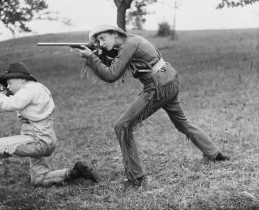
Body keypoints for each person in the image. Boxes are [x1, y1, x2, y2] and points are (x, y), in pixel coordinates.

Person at [78, 25, 230, 187]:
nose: (101, 43)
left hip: (158, 86)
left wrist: (91, 57)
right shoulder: (131, 40)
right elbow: (117, 61)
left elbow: (111, 75)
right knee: (182, 122)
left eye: (103, 38)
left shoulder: (128, 46)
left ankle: (137, 177)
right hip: (169, 79)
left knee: (122, 126)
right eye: (98, 41)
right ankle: (214, 153)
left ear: (115, 33)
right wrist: (97, 53)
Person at [0, 62, 98, 201]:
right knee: (39, 179)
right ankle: (74, 172)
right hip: (46, 139)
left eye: (9, 82)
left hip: (36, 140)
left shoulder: (29, 90)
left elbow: (10, 104)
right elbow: (20, 102)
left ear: (22, 79)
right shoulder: (38, 88)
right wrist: (4, 94)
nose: (8, 86)